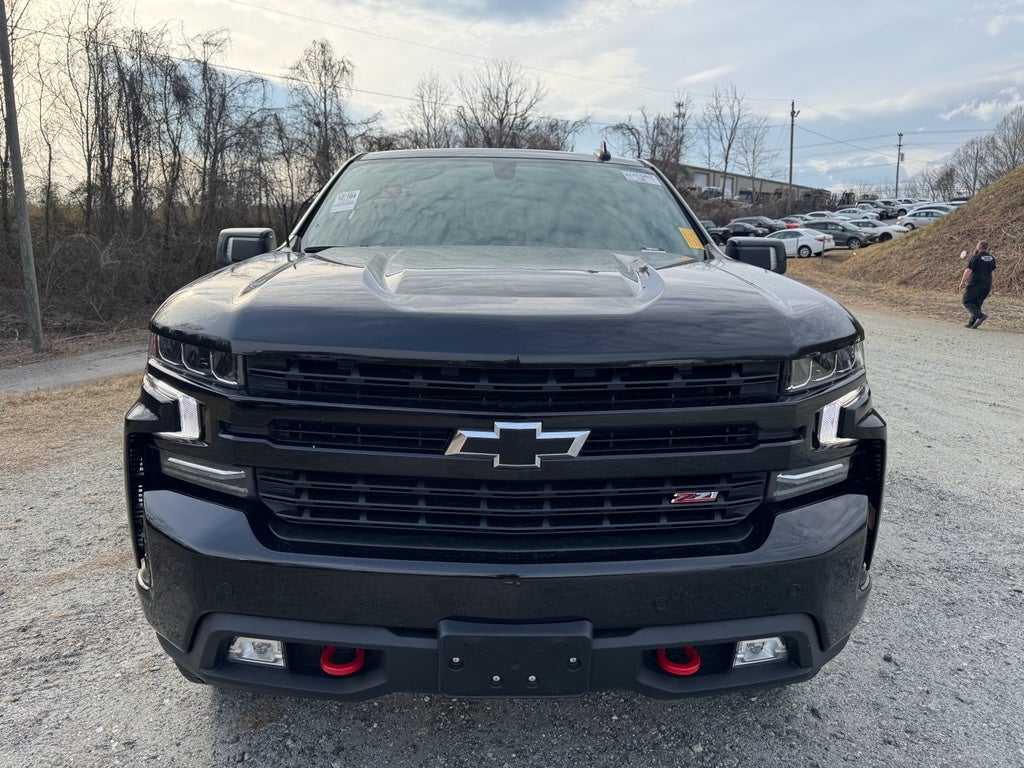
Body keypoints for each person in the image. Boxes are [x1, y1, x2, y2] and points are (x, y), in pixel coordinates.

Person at [959, 240, 996, 328]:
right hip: (986, 284)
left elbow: (968, 270)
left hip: (975, 284)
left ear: (978, 247)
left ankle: (980, 316)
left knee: (966, 301)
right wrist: (991, 283)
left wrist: (962, 282)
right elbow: (992, 272)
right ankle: (971, 323)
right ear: (987, 248)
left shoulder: (976, 257)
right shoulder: (992, 258)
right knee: (977, 304)